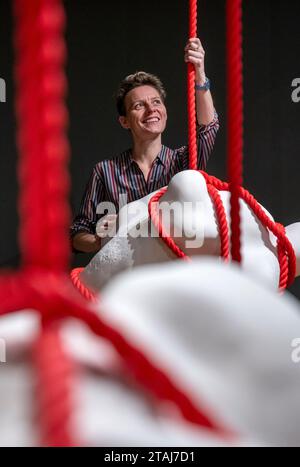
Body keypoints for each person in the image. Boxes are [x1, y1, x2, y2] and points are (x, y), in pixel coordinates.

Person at [70, 38, 219, 253]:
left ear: (165, 111)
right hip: (128, 279)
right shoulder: (104, 172)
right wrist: (100, 240)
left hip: (175, 274)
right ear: (124, 121)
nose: (151, 110)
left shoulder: (184, 162)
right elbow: (77, 234)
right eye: (139, 105)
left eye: (156, 102)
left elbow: (208, 128)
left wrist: (200, 73)